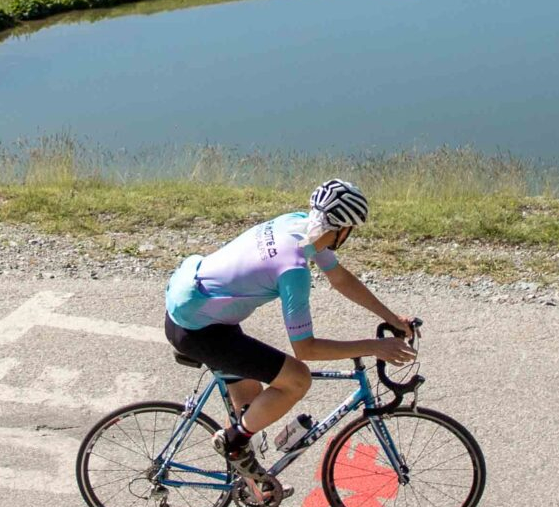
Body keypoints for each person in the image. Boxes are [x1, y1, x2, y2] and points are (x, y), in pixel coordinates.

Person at [163, 178, 415, 484]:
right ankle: (231, 442)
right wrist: (374, 346)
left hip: (195, 307)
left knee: (254, 401)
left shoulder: (297, 224)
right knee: (297, 379)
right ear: (342, 230)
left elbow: (339, 278)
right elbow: (305, 349)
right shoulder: (294, 269)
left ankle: (248, 480)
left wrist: (391, 317)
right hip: (199, 329)